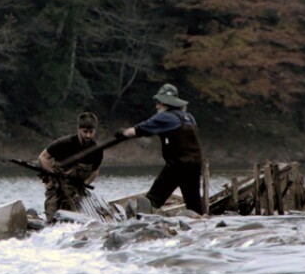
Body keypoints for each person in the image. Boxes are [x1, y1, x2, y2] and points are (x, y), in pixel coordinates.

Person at [116, 84, 204, 214]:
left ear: (166, 103)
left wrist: (123, 133)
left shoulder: (166, 117)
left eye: (158, 102)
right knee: (194, 204)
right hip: (195, 164)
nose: (156, 106)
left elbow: (141, 129)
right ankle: (200, 224)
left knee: (153, 199)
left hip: (178, 164)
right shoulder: (188, 117)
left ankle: (143, 222)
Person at [38, 112, 103, 222]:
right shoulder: (63, 144)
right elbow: (43, 157)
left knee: (75, 219)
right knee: (52, 214)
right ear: (78, 129)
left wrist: (84, 185)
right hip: (57, 186)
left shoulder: (96, 150)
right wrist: (52, 174)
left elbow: (95, 171)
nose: (88, 136)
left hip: (77, 189)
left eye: (91, 132)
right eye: (85, 132)